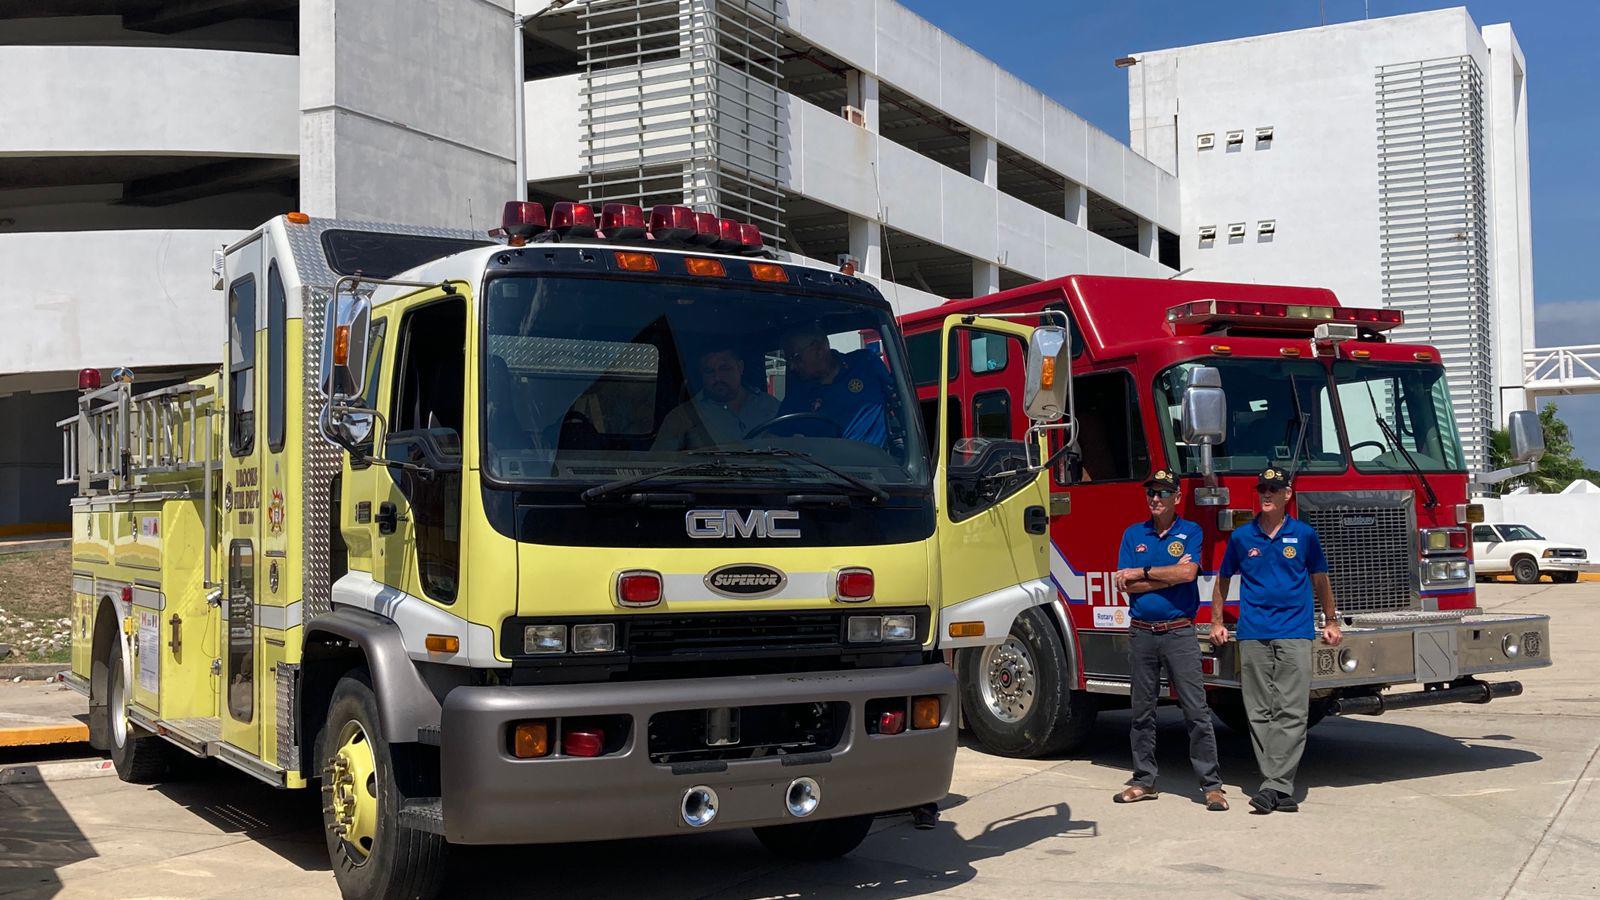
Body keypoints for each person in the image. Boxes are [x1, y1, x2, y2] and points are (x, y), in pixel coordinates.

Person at [1209, 466, 1342, 814]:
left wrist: (1330, 620)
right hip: (1254, 634)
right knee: (1258, 710)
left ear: (1288, 495)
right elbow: (1222, 580)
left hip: (1295, 632)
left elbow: (1320, 579)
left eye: (1274, 489)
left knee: (1293, 709)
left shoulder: (1304, 535)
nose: (1266, 494)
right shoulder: (1242, 537)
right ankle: (1279, 788)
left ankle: (1273, 784)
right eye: (1262, 489)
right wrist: (1217, 620)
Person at [1110, 469, 1228, 811]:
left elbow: (1188, 573)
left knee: (1196, 710)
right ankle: (1143, 780)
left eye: (1163, 493)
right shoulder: (1134, 535)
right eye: (1151, 493)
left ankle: (1212, 786)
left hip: (1179, 632)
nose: (1156, 499)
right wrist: (1169, 576)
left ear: (1177, 498)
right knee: (1141, 712)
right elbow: (1125, 584)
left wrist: (1145, 573)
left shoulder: (1190, 531)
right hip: (1142, 632)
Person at [778, 325, 892, 446]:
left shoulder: (865, 363)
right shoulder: (797, 396)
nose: (792, 367)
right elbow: (775, 437)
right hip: (823, 464)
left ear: (818, 350)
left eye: (796, 358)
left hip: (877, 462)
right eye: (788, 361)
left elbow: (898, 399)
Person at [652, 346, 778, 450]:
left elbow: (794, 448)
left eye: (725, 369)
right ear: (702, 375)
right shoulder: (683, 416)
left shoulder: (772, 406)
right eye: (709, 371)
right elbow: (658, 464)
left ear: (740, 367)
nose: (717, 378)